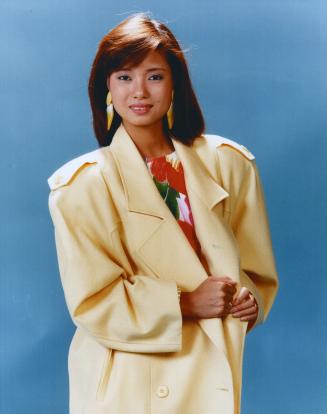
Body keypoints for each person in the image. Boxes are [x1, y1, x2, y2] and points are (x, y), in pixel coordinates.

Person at [48, 12, 278, 414]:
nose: (139, 91)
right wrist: (187, 304)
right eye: (124, 76)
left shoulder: (229, 163)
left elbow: (257, 271)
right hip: (126, 374)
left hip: (209, 362)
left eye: (154, 76)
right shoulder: (80, 186)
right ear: (106, 86)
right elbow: (93, 301)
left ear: (175, 85)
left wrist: (251, 301)